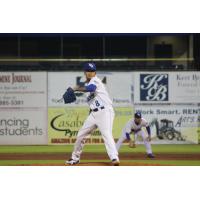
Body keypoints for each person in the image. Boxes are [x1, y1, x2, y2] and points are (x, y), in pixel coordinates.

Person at [66, 63, 120, 165]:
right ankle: (75, 158)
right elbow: (91, 98)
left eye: (92, 71)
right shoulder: (87, 84)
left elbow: (91, 88)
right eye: (88, 71)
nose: (90, 73)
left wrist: (75, 88)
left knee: (106, 134)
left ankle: (114, 157)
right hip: (94, 113)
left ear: (95, 72)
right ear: (85, 72)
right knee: (81, 135)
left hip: (105, 112)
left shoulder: (95, 80)